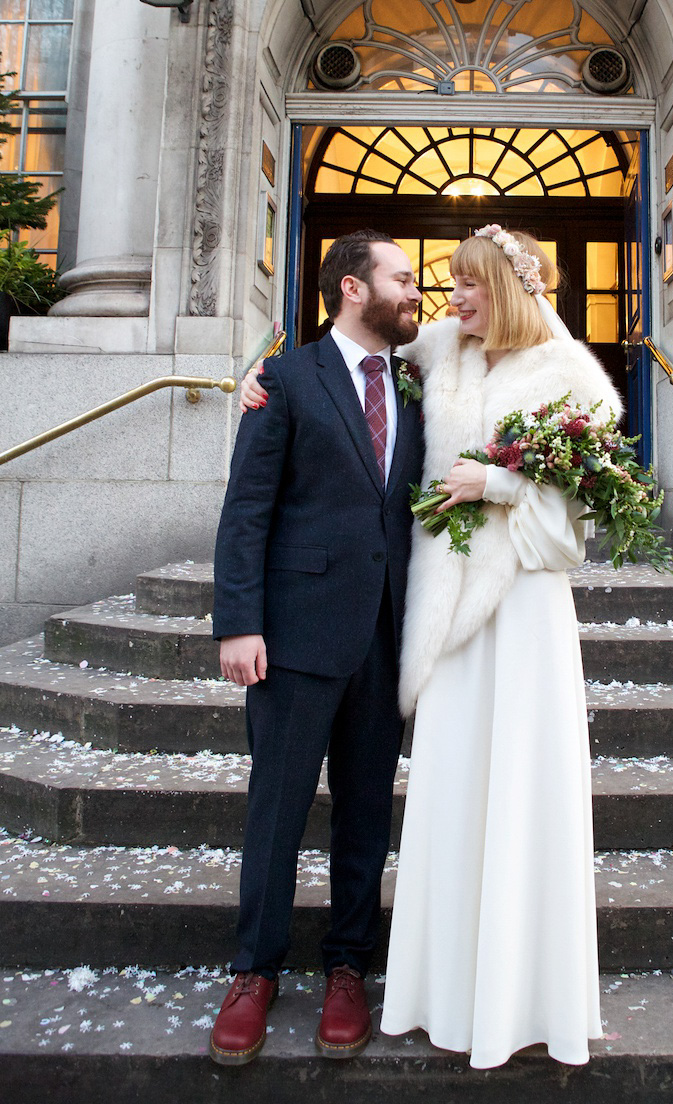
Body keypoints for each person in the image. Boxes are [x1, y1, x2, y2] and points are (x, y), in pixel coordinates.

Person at [242, 226, 618, 1069]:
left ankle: (509, 989)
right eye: (438, 280)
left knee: (508, 797)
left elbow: (580, 521)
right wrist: (256, 377)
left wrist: (503, 483)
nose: (449, 296)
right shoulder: (437, 353)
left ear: (510, 288)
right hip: (438, 621)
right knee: (443, 799)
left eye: (468, 283)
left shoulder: (570, 380)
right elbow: (342, 366)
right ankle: (425, 984)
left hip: (519, 616)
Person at [208, 230, 424, 1067]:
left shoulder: (416, 381)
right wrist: (238, 620)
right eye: (402, 278)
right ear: (351, 289)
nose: (417, 292)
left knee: (367, 810)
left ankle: (346, 968)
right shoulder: (287, 378)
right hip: (294, 633)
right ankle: (253, 972)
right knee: (278, 808)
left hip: (386, 633)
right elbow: (246, 508)